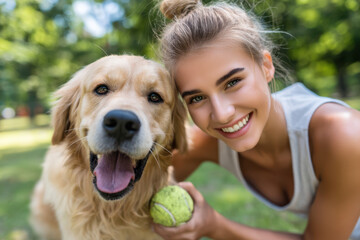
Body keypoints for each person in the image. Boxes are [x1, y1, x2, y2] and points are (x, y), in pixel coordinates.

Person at [152, 0, 360, 239]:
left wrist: (214, 225)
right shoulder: (207, 142)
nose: (222, 114)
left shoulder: (344, 134)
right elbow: (138, 184)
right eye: (197, 98)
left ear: (266, 66)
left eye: (232, 82)